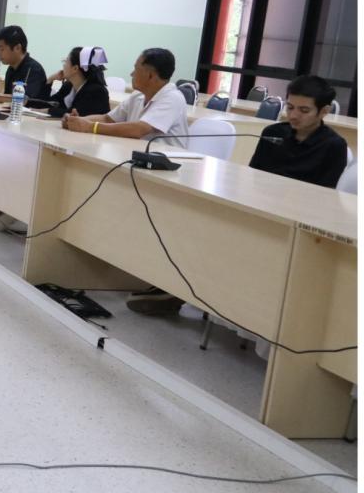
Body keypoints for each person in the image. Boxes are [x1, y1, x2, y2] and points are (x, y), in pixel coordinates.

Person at [128, 74, 351, 316]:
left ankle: (186, 293)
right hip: (261, 208)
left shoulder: (333, 146)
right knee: (202, 222)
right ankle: (179, 288)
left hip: (296, 222)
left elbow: (324, 198)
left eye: (304, 110)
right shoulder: (273, 132)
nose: (294, 115)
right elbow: (253, 177)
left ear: (323, 111)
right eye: (290, 107)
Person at [62, 48, 189, 148]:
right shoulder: (138, 95)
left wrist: (90, 127)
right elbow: (108, 118)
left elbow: (139, 129)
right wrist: (77, 121)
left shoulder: (172, 98)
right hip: (138, 156)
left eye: (136, 69)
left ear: (150, 75)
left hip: (168, 165)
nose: (131, 74)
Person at [46, 46, 112, 118]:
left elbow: (73, 114)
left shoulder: (96, 91)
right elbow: (49, 103)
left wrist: (47, 111)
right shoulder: (68, 86)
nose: (64, 65)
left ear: (75, 68)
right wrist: (50, 79)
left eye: (66, 61)